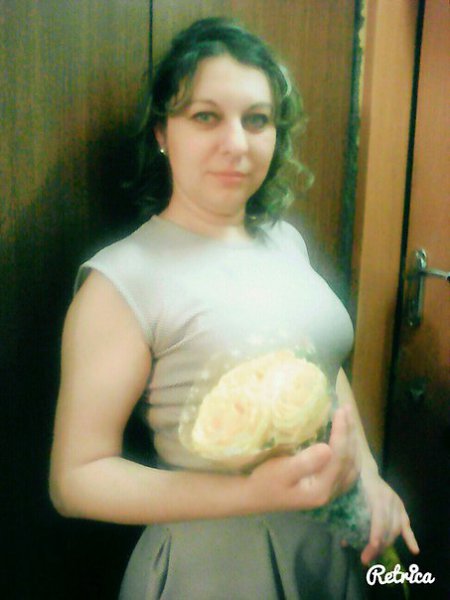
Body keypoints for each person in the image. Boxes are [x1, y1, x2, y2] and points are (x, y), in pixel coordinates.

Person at [50, 17, 419, 599]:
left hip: (327, 546)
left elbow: (318, 364)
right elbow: (76, 480)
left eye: (257, 120)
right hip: (214, 568)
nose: (238, 144)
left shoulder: (284, 241)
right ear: (162, 132)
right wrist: (251, 494)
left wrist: (367, 477)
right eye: (206, 117)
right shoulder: (122, 281)